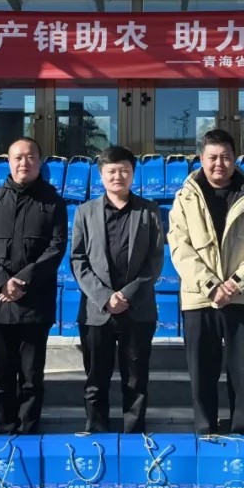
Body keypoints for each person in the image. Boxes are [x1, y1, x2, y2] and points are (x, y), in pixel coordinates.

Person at [167, 128, 244, 435]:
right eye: (212, 157)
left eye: (225, 157)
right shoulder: (185, 198)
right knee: (202, 373)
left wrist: (236, 283)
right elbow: (179, 246)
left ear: (235, 158)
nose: (219, 164)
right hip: (199, 298)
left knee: (243, 372)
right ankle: (205, 430)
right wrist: (211, 286)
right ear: (201, 159)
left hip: (243, 296)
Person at [0, 137, 68, 434]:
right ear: (9, 161)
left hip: (34, 303)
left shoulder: (54, 202)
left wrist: (23, 280)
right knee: (1, 378)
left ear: (40, 161)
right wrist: (2, 282)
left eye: (30, 157)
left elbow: (56, 247)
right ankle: (3, 431)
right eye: (18, 157)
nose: (24, 163)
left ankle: (28, 433)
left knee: (31, 378)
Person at [71, 146, 165, 433]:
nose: (118, 176)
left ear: (133, 174)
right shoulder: (85, 211)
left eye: (124, 170)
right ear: (101, 175)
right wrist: (104, 297)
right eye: (111, 171)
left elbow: (155, 260)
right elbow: (78, 260)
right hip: (96, 312)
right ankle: (97, 434)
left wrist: (127, 295)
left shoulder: (148, 210)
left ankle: (134, 435)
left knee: (136, 380)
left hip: (137, 310)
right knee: (95, 381)